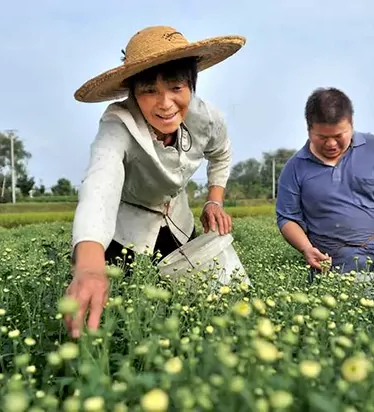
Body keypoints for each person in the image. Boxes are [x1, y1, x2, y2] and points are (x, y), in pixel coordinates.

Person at [63, 26, 246, 338]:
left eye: (176, 87)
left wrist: (214, 199)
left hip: (176, 216)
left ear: (191, 84)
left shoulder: (207, 118)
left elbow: (222, 153)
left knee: (193, 300)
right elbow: (100, 184)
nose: (165, 103)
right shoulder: (118, 124)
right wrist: (90, 266)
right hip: (127, 223)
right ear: (133, 93)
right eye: (149, 91)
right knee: (119, 314)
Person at [276, 87, 374, 279]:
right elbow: (287, 218)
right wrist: (306, 248)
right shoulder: (295, 168)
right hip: (329, 273)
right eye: (322, 137)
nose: (331, 144)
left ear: (351, 124)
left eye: (338, 135)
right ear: (309, 130)